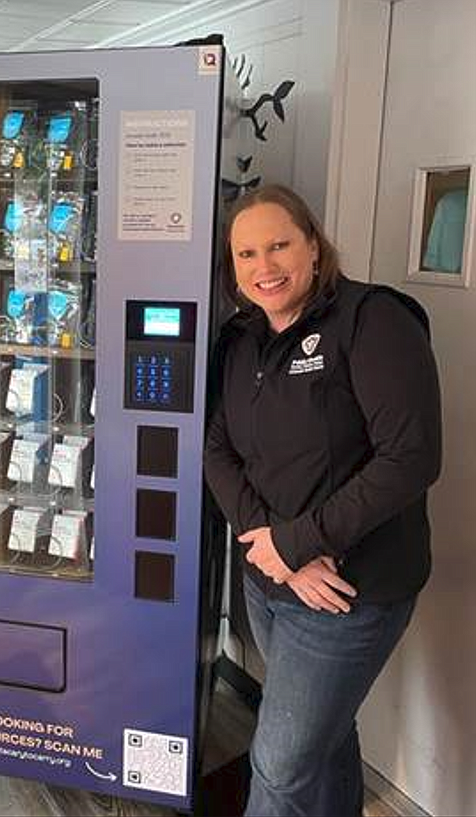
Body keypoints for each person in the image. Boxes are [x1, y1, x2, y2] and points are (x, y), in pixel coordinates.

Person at [204, 184, 442, 816]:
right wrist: (272, 544)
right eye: (246, 254)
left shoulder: (372, 320)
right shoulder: (240, 338)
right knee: (327, 743)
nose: (265, 267)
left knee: (278, 767)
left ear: (313, 245)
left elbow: (411, 457)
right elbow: (215, 447)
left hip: (350, 588)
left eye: (279, 245)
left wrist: (299, 543)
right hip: (271, 579)